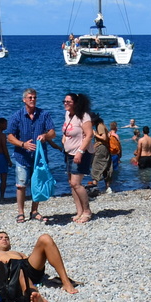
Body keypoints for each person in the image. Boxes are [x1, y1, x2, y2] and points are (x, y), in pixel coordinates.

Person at [0, 229, 79, 293]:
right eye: (0, 238)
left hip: (26, 269)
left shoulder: (17, 253)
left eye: (7, 238)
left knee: (45, 238)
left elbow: (29, 262)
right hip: (9, 272)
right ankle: (29, 290)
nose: (4, 239)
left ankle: (66, 281)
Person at [6, 88, 55, 224]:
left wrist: (45, 136)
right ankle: (20, 212)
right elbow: (9, 137)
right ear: (24, 100)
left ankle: (34, 211)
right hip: (22, 156)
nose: (32, 100)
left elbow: (53, 132)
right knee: (21, 185)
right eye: (30, 97)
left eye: (34, 97)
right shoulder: (17, 116)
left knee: (37, 184)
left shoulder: (44, 114)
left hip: (39, 157)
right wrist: (23, 144)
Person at [62, 93, 94, 223]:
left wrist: (80, 151)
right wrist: (64, 139)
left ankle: (87, 211)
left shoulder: (84, 116)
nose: (66, 103)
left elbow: (89, 135)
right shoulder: (68, 115)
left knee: (76, 183)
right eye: (64, 101)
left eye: (69, 102)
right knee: (71, 184)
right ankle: (79, 210)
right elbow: (68, 130)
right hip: (69, 153)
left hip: (81, 153)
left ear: (75, 103)